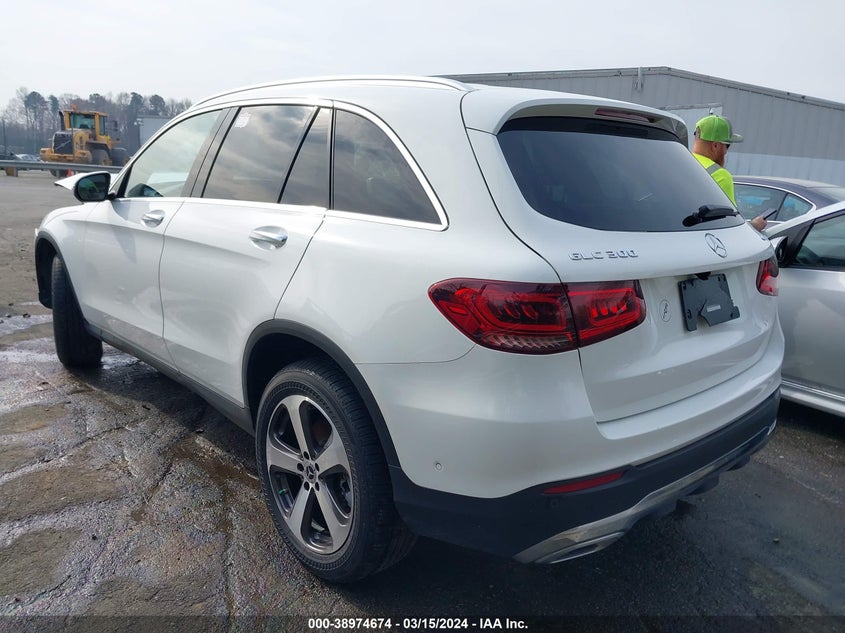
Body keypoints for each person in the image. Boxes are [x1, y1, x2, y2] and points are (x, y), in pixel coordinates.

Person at [692, 114, 766, 230]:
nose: (726, 152)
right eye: (727, 146)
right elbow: (730, 226)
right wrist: (755, 226)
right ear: (715, 145)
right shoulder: (720, 175)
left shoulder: (679, 164)